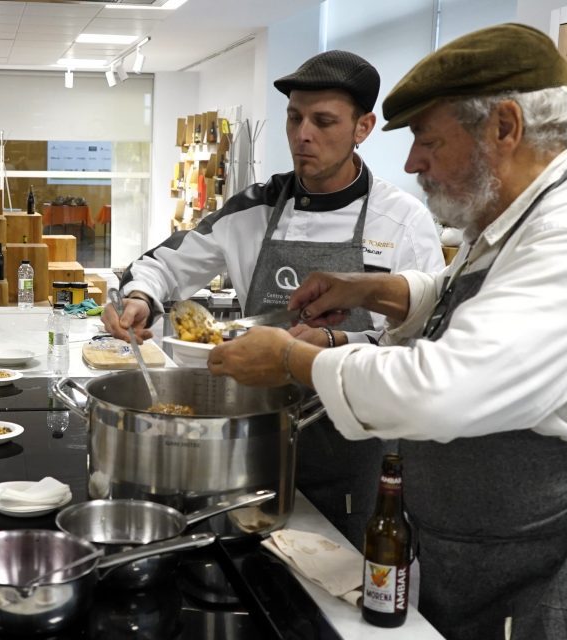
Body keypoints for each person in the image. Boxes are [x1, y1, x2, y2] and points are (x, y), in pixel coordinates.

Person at [210, 24, 567, 638]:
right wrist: (378, 289)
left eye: (428, 141)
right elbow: (473, 295)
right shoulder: (522, 214)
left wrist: (290, 360)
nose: (411, 163)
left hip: (560, 555)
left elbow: (442, 388)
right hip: (492, 549)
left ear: (505, 127)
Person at [106, 50, 444, 547]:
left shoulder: (402, 221)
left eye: (323, 121)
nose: (302, 134)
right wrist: (139, 297)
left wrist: (331, 341)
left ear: (363, 127)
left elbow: (424, 343)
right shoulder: (252, 208)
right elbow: (162, 265)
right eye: (294, 117)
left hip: (351, 447)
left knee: (332, 597)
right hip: (249, 441)